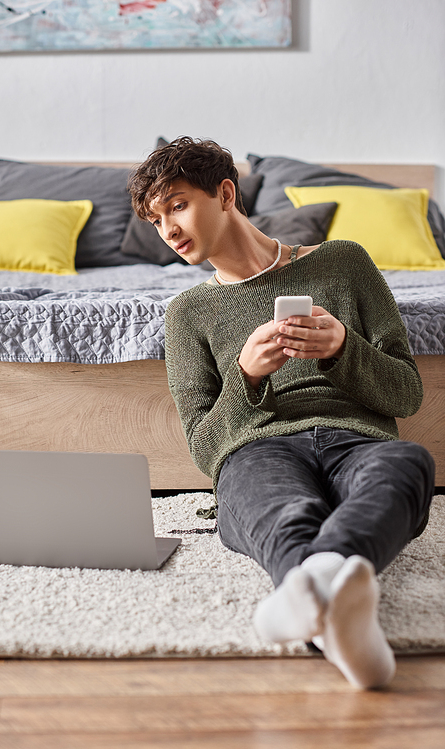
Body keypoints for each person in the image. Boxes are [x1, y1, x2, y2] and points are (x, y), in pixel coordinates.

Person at [128, 137, 435, 689]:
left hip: (357, 438)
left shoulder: (344, 263)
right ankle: (332, 604)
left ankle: (309, 589)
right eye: (155, 220)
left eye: (176, 205)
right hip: (258, 448)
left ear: (225, 194)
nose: (168, 230)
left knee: (407, 464)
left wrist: (343, 347)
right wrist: (245, 375)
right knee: (275, 504)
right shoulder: (188, 314)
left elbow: (407, 395)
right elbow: (203, 448)